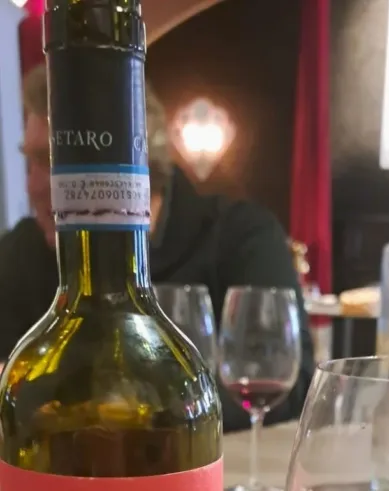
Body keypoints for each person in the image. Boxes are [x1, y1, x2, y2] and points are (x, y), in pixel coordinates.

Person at [0, 65, 314, 432]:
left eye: (53, 162)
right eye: (31, 161)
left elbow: (292, 387)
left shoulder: (243, 235)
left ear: (132, 155)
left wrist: (126, 414)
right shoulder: (21, 250)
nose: (34, 186)